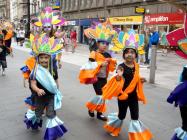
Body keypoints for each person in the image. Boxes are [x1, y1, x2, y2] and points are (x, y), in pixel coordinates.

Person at [23, 7, 67, 140]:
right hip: (39, 75)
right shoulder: (38, 39)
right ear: (42, 26)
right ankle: (35, 117)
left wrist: (58, 61)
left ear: (52, 26)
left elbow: (58, 52)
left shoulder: (55, 38)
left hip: (51, 69)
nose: (47, 28)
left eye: (49, 26)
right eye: (45, 26)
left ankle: (52, 132)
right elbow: (33, 56)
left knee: (51, 112)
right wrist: (31, 79)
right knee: (37, 108)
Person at [102, 29, 152, 139]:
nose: (130, 55)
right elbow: (115, 80)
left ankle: (136, 136)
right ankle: (113, 128)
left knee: (135, 116)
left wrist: (141, 80)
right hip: (123, 95)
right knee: (122, 115)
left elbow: (135, 78)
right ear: (124, 54)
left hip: (133, 95)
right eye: (127, 52)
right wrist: (118, 77)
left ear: (136, 55)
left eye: (132, 52)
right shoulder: (121, 66)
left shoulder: (136, 65)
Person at [79, 21, 117, 121]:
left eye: (106, 44)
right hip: (96, 79)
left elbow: (112, 68)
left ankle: (95, 110)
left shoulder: (108, 55)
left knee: (102, 96)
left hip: (104, 78)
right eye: (102, 43)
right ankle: (95, 110)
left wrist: (112, 62)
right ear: (97, 44)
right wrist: (100, 64)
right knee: (101, 95)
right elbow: (89, 66)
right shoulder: (93, 54)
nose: (105, 45)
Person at [167, 66, 187, 140]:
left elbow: (171, 97)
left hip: (183, 106)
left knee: (185, 127)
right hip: (184, 107)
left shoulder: (182, 85)